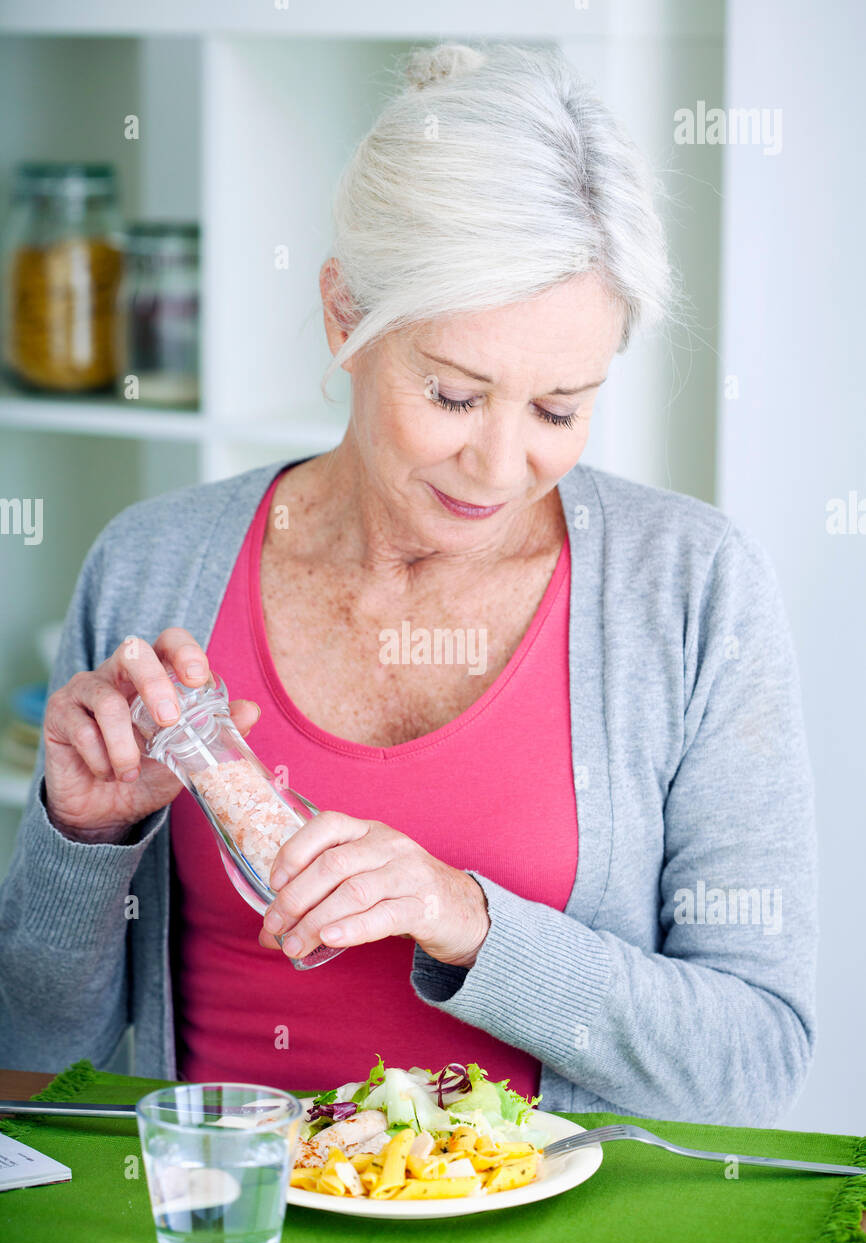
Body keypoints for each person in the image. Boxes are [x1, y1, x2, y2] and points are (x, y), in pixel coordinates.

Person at [0, 43, 817, 1125]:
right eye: (451, 393)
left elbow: (754, 1059)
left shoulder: (690, 590)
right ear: (347, 318)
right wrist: (85, 840)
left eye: (559, 408)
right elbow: (35, 1047)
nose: (498, 464)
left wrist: (468, 918)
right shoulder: (154, 563)